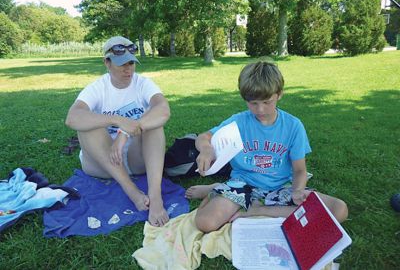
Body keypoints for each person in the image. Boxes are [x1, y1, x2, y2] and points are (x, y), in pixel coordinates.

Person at [188, 61, 348, 233]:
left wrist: (298, 190)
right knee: (205, 223)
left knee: (339, 210)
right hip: (243, 184)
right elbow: (205, 137)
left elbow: (300, 170)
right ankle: (219, 189)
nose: (260, 110)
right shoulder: (239, 121)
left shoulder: (293, 126)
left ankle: (258, 210)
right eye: (253, 103)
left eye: (267, 102)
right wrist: (206, 149)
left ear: (279, 94)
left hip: (281, 187)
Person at [65, 36, 170, 227]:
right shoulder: (98, 88)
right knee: (87, 127)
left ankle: (155, 197)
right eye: (121, 63)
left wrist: (125, 133)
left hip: (136, 159)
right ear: (107, 63)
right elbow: (72, 118)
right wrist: (117, 120)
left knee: (154, 125)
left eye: (131, 63)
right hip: (103, 164)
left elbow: (163, 110)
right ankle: (131, 190)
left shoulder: (143, 84)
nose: (128, 68)